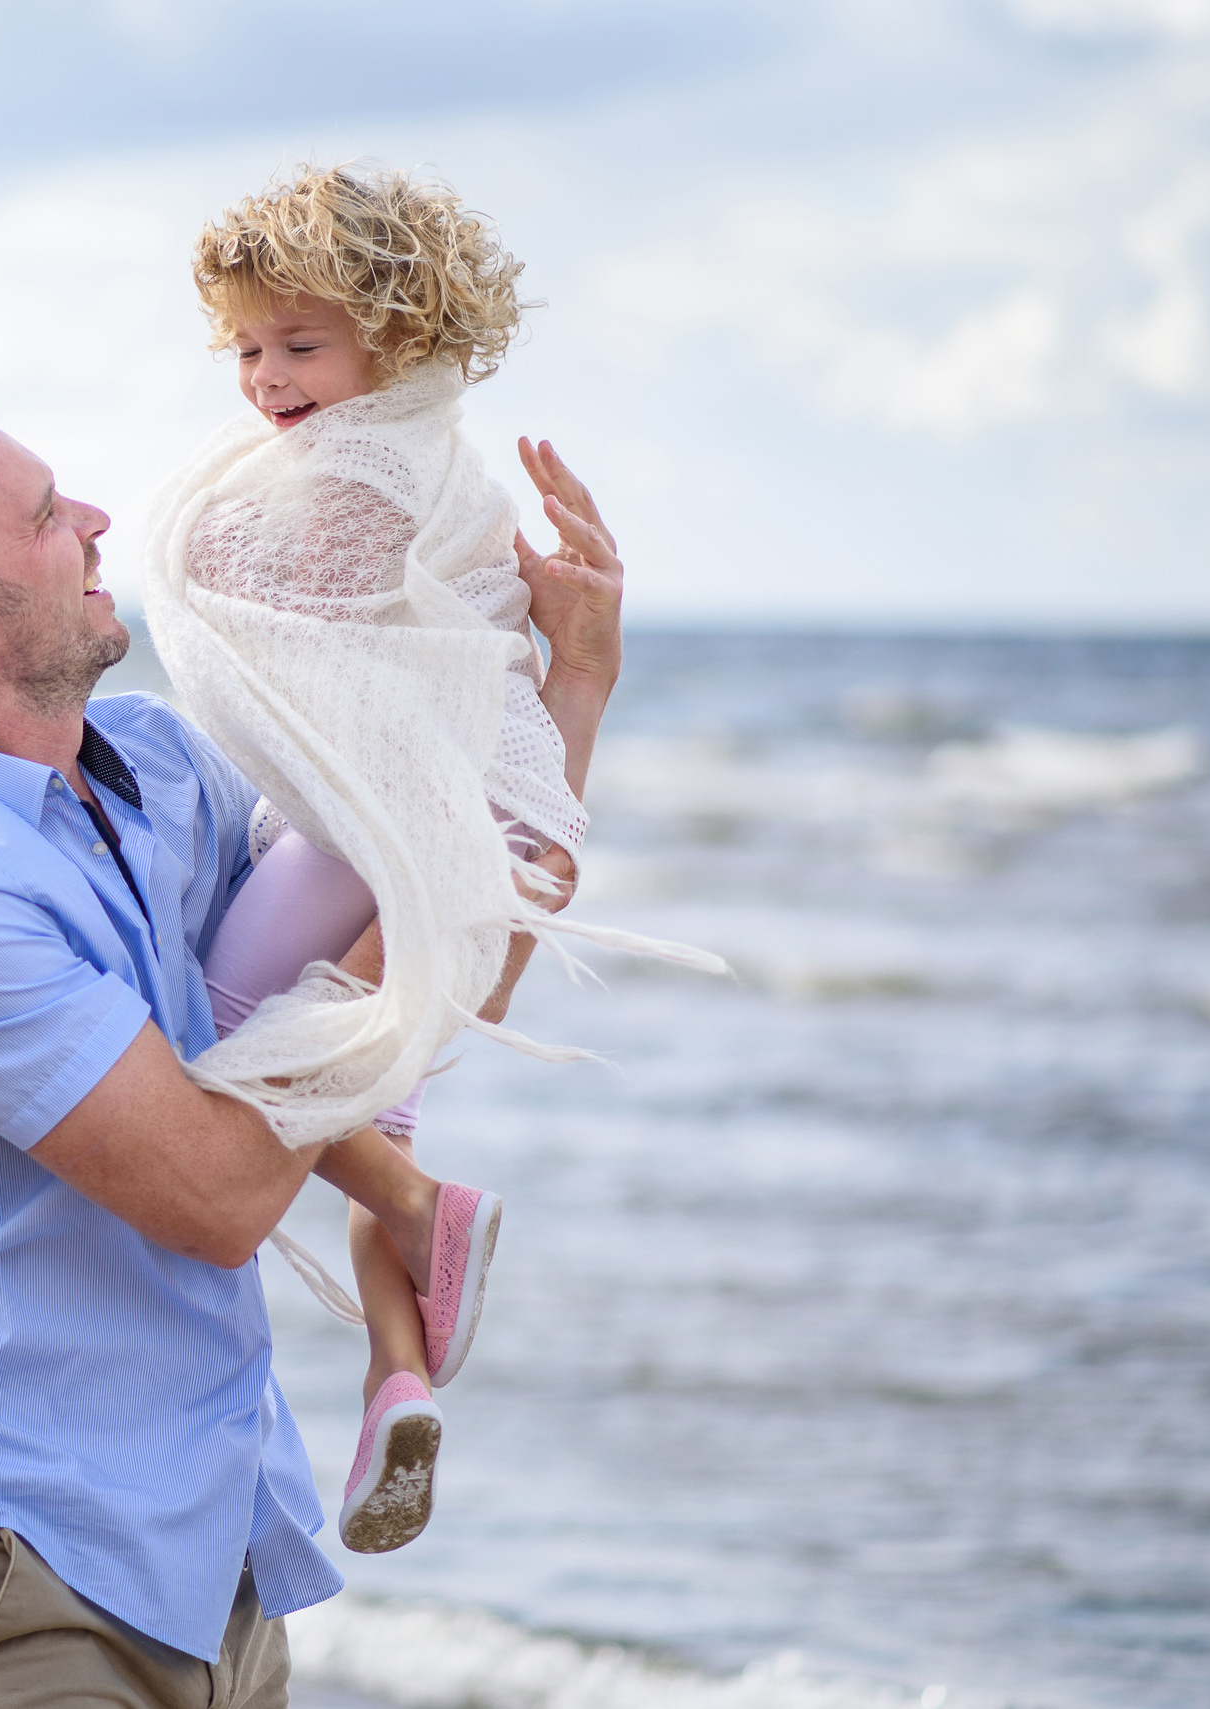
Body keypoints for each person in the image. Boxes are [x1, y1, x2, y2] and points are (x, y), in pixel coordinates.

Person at [0, 365, 632, 1705]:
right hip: (20, 1572)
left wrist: (572, 687)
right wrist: (404, 926)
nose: (96, 520)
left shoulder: (160, 765)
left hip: (215, 1558)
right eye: (44, 514)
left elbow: (454, 987)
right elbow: (220, 1198)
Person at [140, 163, 724, 1556]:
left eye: (299, 345)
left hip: (377, 825)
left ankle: (425, 1209)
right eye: (245, 350)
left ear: (396, 339)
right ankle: (394, 1382)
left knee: (224, 1041)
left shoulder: (362, 471)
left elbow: (308, 635)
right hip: (436, 818)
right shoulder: (439, 461)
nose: (265, 380)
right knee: (372, 1100)